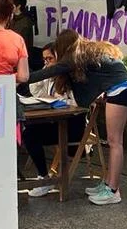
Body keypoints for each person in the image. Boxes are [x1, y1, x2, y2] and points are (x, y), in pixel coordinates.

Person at [28, 29, 127, 205]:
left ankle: (113, 190)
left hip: (120, 90)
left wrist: (21, 77)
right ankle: (108, 184)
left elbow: (49, 72)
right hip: (122, 88)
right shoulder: (87, 51)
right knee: (113, 142)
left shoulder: (73, 57)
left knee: (115, 142)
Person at [21, 42, 84, 198]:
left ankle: (45, 179)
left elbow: (76, 103)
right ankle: (44, 176)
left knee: (31, 134)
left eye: (50, 59)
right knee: (28, 132)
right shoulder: (50, 74)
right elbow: (35, 91)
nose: (47, 62)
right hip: (54, 120)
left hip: (71, 124)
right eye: (45, 60)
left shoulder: (71, 76)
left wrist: (56, 101)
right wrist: (45, 72)